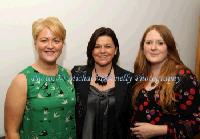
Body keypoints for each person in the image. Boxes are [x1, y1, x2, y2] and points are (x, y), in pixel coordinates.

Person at [4, 17, 76, 139]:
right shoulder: (22, 80)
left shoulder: (67, 75)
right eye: (44, 40)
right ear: (35, 43)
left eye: (56, 40)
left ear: (62, 44)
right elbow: (11, 132)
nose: (50, 46)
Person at [130, 24, 200, 139]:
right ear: (143, 47)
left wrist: (157, 130)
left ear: (169, 47)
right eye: (148, 43)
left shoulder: (184, 78)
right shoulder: (140, 73)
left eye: (160, 43)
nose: (153, 47)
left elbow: (196, 123)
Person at [72, 27, 135, 139]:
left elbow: (130, 119)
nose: (102, 51)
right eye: (97, 46)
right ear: (91, 50)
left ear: (115, 50)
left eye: (108, 46)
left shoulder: (128, 79)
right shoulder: (77, 74)